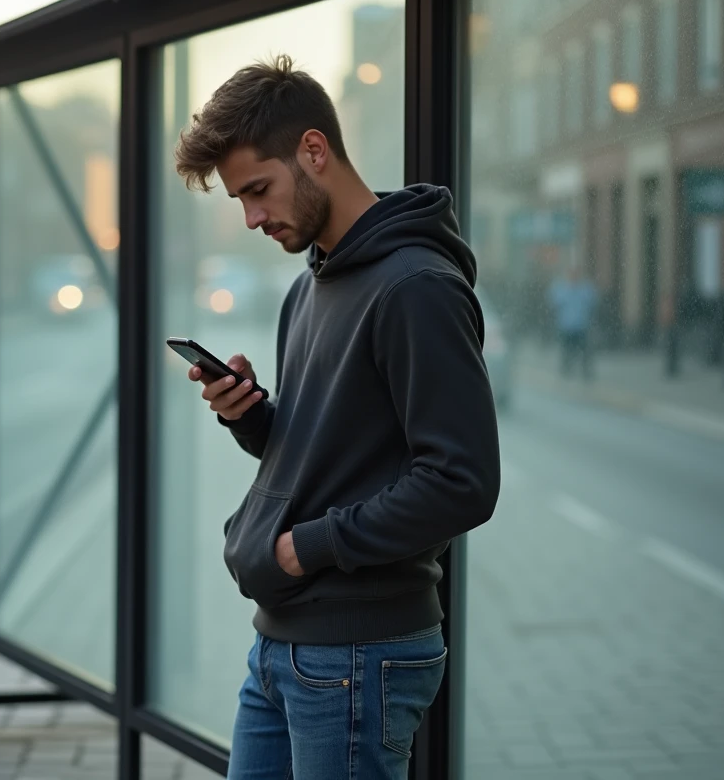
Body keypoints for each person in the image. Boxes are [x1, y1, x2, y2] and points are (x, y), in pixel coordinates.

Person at [174, 56, 500, 780]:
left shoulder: (416, 287)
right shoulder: (309, 287)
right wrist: (253, 419)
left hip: (359, 652)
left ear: (314, 151)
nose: (252, 217)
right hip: (283, 644)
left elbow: (462, 483)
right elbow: (332, 450)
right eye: (239, 200)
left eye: (259, 190)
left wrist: (306, 547)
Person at [548, 264, 598, 380]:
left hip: (581, 326)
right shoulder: (562, 289)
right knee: (566, 350)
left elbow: (593, 302)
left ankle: (586, 372)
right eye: (571, 274)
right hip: (566, 326)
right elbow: (553, 302)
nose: (573, 277)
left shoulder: (585, 289)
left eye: (575, 274)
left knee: (584, 352)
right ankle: (566, 369)